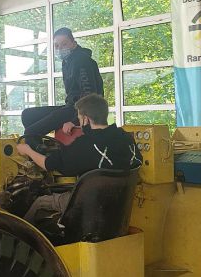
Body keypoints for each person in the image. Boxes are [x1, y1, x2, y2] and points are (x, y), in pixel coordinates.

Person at [17, 93, 142, 224]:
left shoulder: (84, 144)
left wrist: (27, 150)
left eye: (79, 119)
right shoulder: (126, 138)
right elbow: (137, 161)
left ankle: (22, 236)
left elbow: (48, 164)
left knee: (40, 202)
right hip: (120, 202)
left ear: (86, 119)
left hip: (90, 202)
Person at [21, 27, 103, 144]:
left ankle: (43, 154)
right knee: (28, 115)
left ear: (74, 44)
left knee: (30, 133)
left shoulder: (82, 61)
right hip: (71, 106)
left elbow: (89, 95)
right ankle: (46, 147)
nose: (60, 49)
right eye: (56, 46)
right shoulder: (67, 61)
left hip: (83, 110)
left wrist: (74, 121)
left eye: (64, 44)